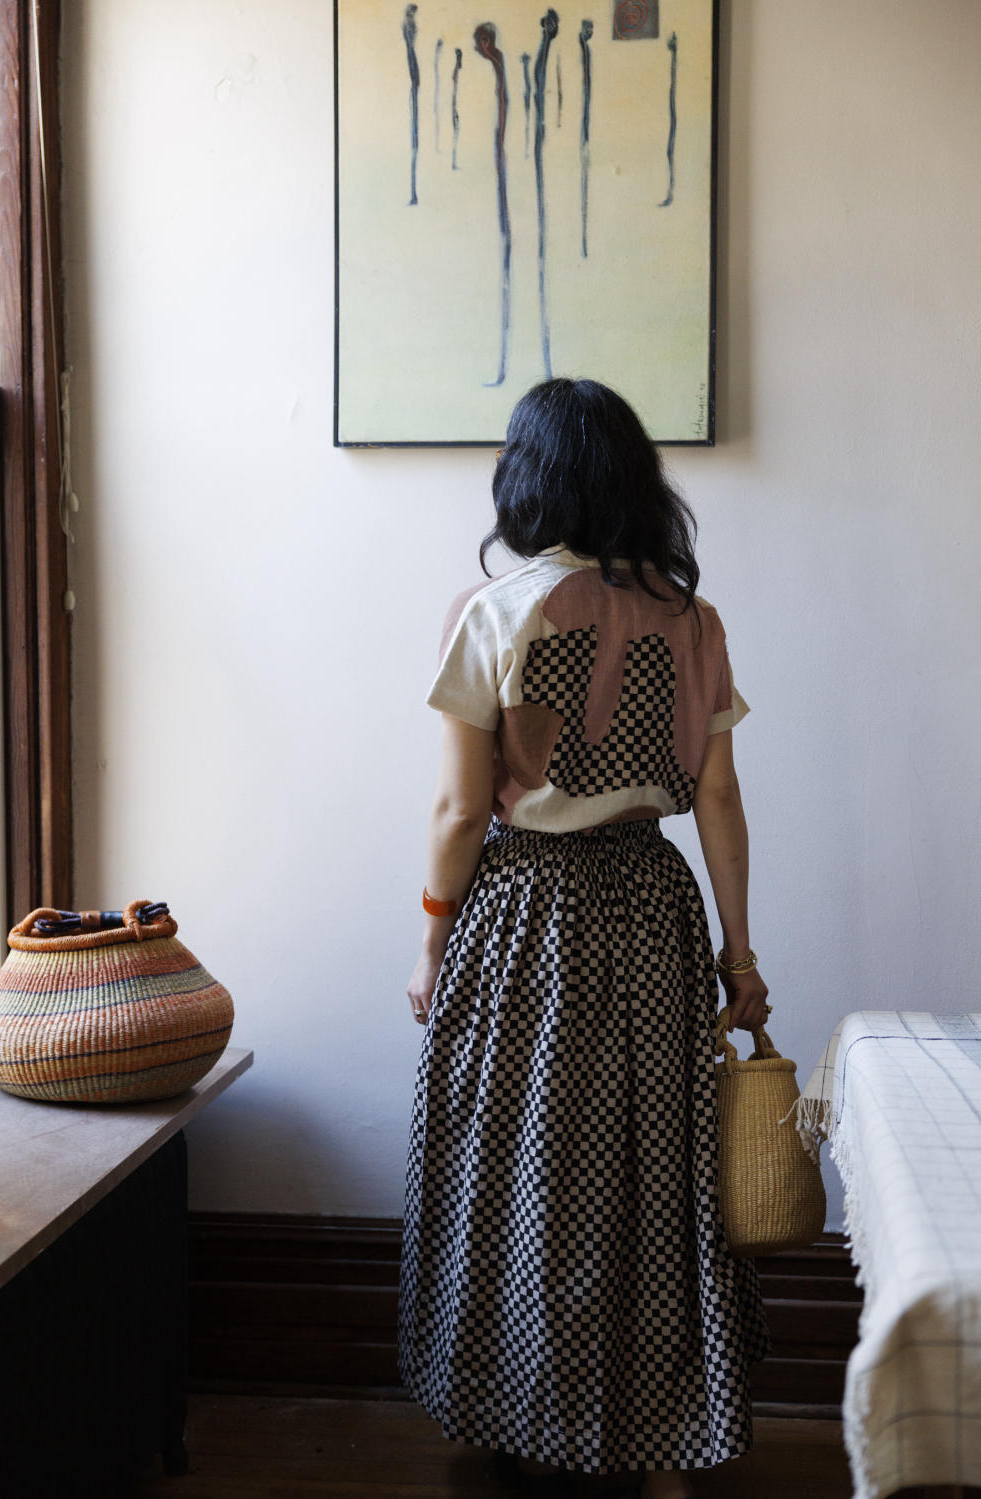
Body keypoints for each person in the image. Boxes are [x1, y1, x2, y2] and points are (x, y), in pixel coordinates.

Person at [398, 378, 772, 1499]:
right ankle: (664, 1449)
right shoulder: (690, 618)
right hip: (655, 906)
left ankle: (526, 1412)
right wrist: (739, 956)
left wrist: (430, 937)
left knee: (526, 1167)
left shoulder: (493, 609)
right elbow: (719, 799)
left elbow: (463, 810)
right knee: (658, 1168)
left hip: (525, 914)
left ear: (530, 477)